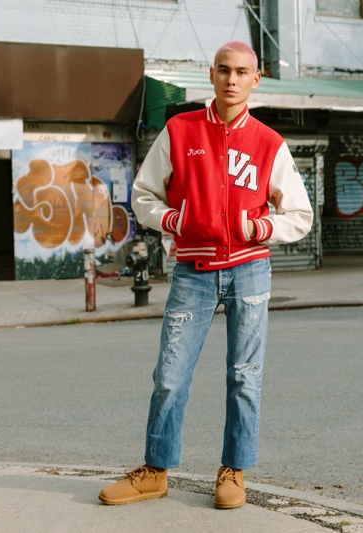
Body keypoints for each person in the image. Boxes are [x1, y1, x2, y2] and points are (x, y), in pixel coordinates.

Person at [98, 41, 314, 509]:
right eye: (223, 71)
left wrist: (259, 227)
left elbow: (300, 215)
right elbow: (143, 195)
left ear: (256, 79)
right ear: (211, 75)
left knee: (245, 376)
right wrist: (175, 221)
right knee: (171, 375)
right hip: (193, 270)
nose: (232, 80)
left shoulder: (269, 144)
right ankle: (155, 471)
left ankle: (234, 470)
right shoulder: (179, 130)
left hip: (250, 270)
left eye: (241, 72)